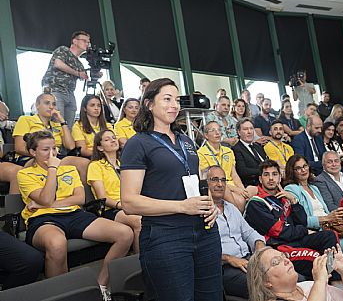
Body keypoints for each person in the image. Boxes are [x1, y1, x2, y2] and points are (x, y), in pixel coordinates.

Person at [120, 78, 222, 301]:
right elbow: (128, 202)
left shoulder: (186, 140)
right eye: (167, 99)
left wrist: (210, 204)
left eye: (177, 100)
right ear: (149, 104)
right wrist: (182, 207)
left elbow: (194, 181)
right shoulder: (138, 143)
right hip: (166, 237)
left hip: (205, 232)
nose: (174, 105)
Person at [17, 130, 133, 300]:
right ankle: (62, 295)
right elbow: (46, 198)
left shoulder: (69, 170)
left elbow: (79, 198)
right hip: (44, 219)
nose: (52, 153)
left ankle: (101, 286)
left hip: (74, 214)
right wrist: (51, 169)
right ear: (33, 152)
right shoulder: (24, 174)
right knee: (57, 244)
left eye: (54, 148)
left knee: (125, 233)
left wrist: (50, 203)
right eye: (45, 149)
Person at [244, 160, 338, 280]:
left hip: (296, 240)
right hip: (279, 247)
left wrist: (294, 201)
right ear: (260, 179)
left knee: (329, 236)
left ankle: (334, 281)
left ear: (279, 177)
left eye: (274, 174)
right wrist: (304, 231)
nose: (271, 178)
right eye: (266, 175)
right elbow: (280, 232)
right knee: (316, 258)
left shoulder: (284, 198)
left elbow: (302, 221)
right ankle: (328, 283)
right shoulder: (256, 203)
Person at [284, 154, 343, 285]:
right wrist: (327, 218)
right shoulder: (291, 189)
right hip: (316, 232)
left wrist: (335, 214)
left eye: (305, 166)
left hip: (331, 226)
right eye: (298, 168)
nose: (303, 170)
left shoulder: (314, 187)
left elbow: (325, 210)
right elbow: (301, 220)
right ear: (292, 171)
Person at [208, 165, 265, 298]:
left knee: (285, 274)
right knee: (265, 284)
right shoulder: (202, 212)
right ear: (205, 183)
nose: (220, 184)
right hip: (224, 268)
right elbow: (203, 251)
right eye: (214, 180)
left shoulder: (232, 209)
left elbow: (249, 233)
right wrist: (228, 258)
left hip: (248, 260)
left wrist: (258, 244)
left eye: (223, 180)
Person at [13, 91, 89, 183]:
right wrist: (43, 155)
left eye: (54, 104)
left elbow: (71, 146)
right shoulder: (26, 119)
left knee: (84, 163)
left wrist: (62, 121)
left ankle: (82, 195)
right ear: (37, 105)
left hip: (55, 157)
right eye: (47, 103)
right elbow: (19, 147)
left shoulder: (57, 125)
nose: (51, 107)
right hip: (31, 157)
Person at [247, 245, 343, 301]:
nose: (286, 261)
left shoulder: (308, 285)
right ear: (266, 281)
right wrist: (320, 280)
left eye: (283, 256)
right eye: (276, 262)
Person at [87, 129, 141, 254]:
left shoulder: (124, 163)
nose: (113, 140)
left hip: (130, 203)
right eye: (107, 139)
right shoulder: (95, 166)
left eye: (114, 137)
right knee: (140, 221)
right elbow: (102, 197)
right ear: (100, 147)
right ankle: (139, 262)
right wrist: (121, 205)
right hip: (112, 208)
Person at [198, 121, 255, 212]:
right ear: (206, 135)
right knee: (240, 201)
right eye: (213, 130)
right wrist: (236, 190)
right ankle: (240, 221)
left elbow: (234, 174)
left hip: (233, 185)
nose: (217, 133)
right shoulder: (201, 153)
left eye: (219, 130)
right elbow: (208, 179)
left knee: (253, 189)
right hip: (218, 185)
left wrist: (242, 190)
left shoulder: (228, 151)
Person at [41, 31, 90, 128]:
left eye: (88, 42)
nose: (87, 44)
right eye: (84, 41)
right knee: (57, 123)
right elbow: (58, 64)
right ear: (75, 41)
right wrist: (77, 73)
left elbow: (84, 77)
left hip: (70, 93)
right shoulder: (63, 50)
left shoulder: (79, 64)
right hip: (55, 89)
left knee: (68, 127)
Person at [232, 118, 267, 187]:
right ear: (239, 132)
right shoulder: (236, 149)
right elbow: (242, 171)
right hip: (252, 184)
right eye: (245, 129)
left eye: (251, 129)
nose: (249, 132)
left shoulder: (258, 146)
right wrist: (264, 172)